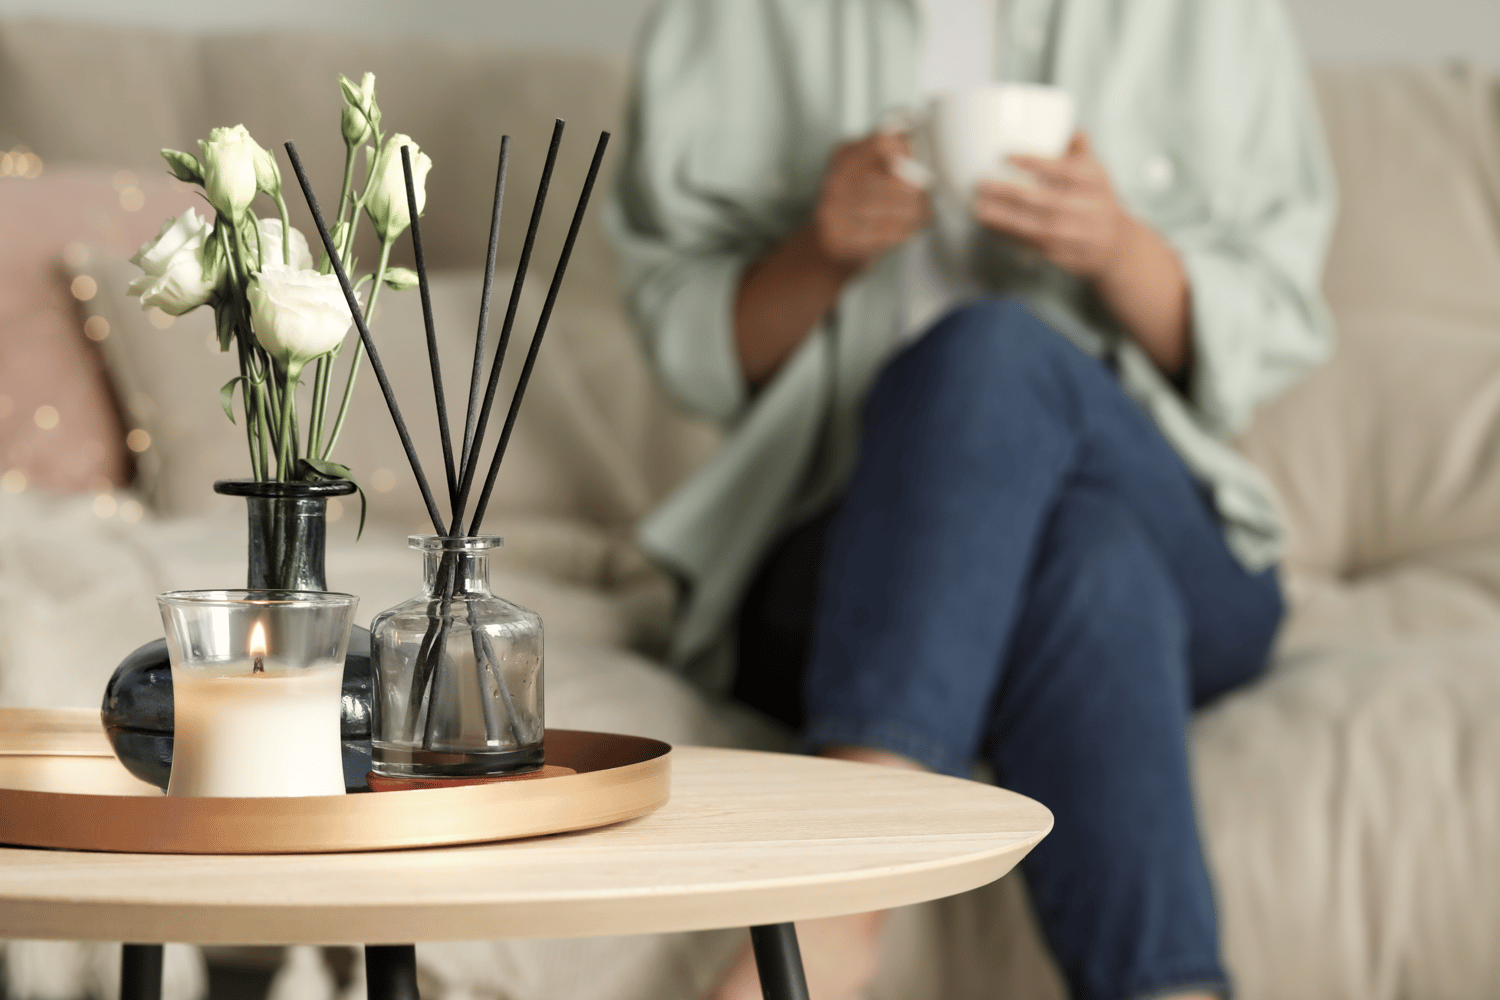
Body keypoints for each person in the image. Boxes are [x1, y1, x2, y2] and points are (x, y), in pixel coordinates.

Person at [605, 1, 1336, 998]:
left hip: (1182, 538)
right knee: (1088, 559)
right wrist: (818, 252)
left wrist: (1121, 250)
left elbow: (1280, 319)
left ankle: (835, 907)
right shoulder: (734, 17)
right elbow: (690, 345)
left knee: (992, 352)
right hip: (842, 556)